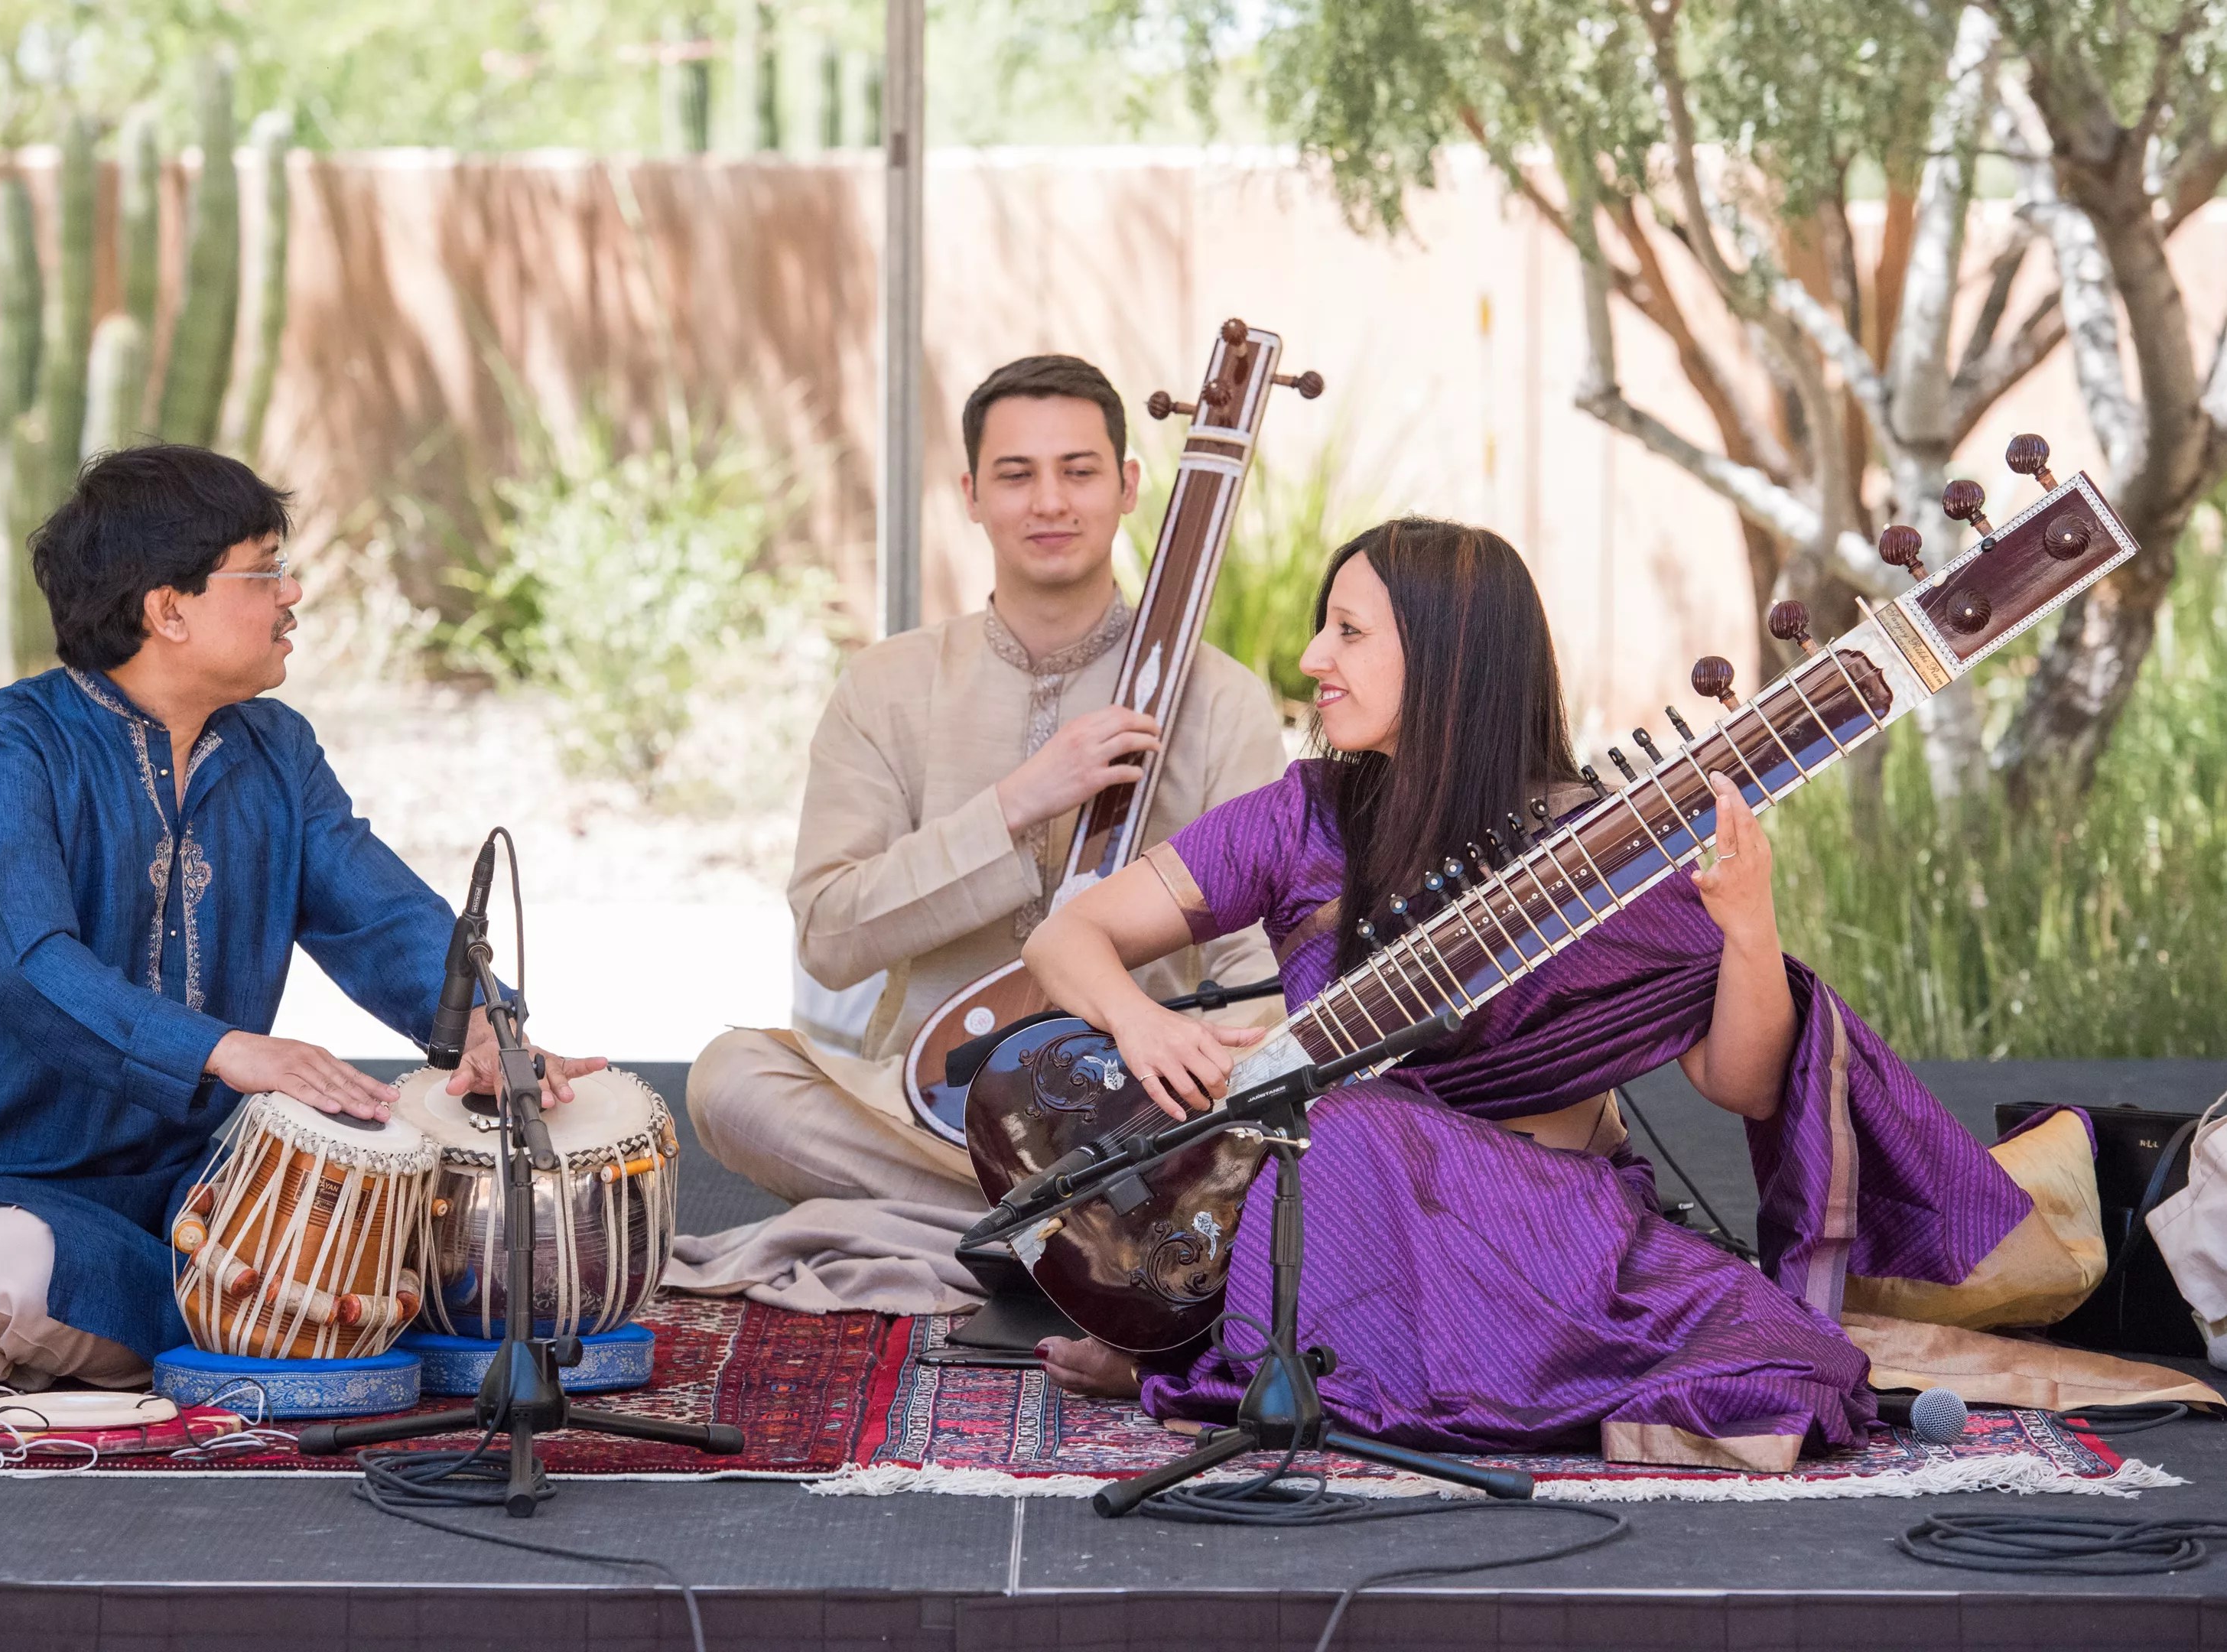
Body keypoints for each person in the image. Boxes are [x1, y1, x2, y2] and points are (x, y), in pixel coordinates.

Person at [1022, 517, 2093, 1470]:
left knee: (1774, 1368)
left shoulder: (1605, 853)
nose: (1312, 659)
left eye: (1347, 633)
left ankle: (1248, 1358)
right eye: (1323, 629)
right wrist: (1140, 1021)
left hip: (1539, 1233)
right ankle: (1258, 1352)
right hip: (1345, 1218)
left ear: (1447, 659)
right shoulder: (1299, 817)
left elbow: (1743, 1084)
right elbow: (1065, 938)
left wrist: (1748, 926)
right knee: (1341, 1136)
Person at [0, 445, 601, 1392]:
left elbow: (380, 913)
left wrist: (485, 1025)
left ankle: (233, 1329)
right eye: (265, 571)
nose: (293, 594)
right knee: (2, 1274)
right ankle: (251, 1332)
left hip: (196, 1189)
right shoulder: (5, 749)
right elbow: (26, 964)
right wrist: (224, 1051)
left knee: (435, 1218)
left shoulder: (274, 750)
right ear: (169, 610)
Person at [669, 355, 1288, 1314]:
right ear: (970, 494)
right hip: (924, 1104)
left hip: (1135, 1116)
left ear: (1128, 486)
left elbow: (1263, 956)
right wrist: (1012, 806)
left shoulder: (1220, 702)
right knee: (728, 1082)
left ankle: (956, 1227)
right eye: (1015, 474)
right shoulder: (889, 686)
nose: (1050, 501)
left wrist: (1212, 1081)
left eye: (1078, 470)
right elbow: (830, 936)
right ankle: (1080, 1236)